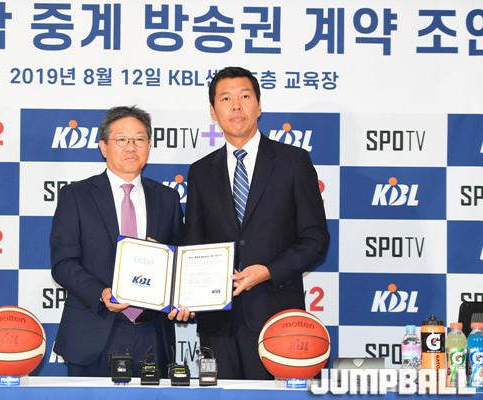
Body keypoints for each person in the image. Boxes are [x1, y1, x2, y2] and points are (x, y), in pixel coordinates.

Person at [184, 67, 329, 379]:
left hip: (278, 323)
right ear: (213, 112)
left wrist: (268, 271)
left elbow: (315, 240)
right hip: (217, 324)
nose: (236, 106)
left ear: (259, 106)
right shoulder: (200, 172)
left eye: (245, 96)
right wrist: (182, 290)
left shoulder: (293, 162)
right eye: (226, 99)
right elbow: (193, 243)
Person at [51, 105, 190, 377]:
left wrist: (181, 292)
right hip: (94, 332)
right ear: (103, 147)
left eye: (139, 139)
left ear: (149, 145)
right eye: (121, 139)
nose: (131, 147)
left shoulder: (167, 199)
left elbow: (179, 262)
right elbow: (63, 264)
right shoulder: (76, 196)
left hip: (153, 335)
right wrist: (101, 293)